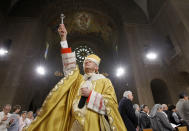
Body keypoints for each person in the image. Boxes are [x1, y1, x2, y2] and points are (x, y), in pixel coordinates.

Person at [27, 24, 127, 131]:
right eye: (85, 62)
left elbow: (111, 104)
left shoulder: (104, 81)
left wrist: (91, 95)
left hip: (92, 121)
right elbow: (69, 65)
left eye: (91, 61)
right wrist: (63, 39)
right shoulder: (79, 79)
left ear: (96, 67)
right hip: (73, 120)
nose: (87, 62)